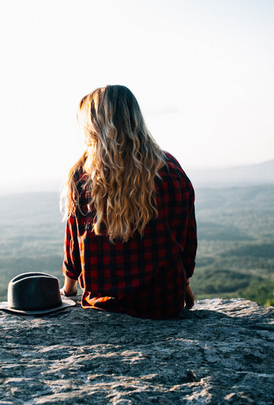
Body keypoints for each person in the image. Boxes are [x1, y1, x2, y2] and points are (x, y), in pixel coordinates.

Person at [61, 85, 197, 319]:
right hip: (163, 302)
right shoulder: (170, 168)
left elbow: (75, 245)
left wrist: (68, 290)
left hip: (104, 305)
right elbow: (185, 237)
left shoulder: (82, 175)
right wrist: (184, 285)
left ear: (93, 127)